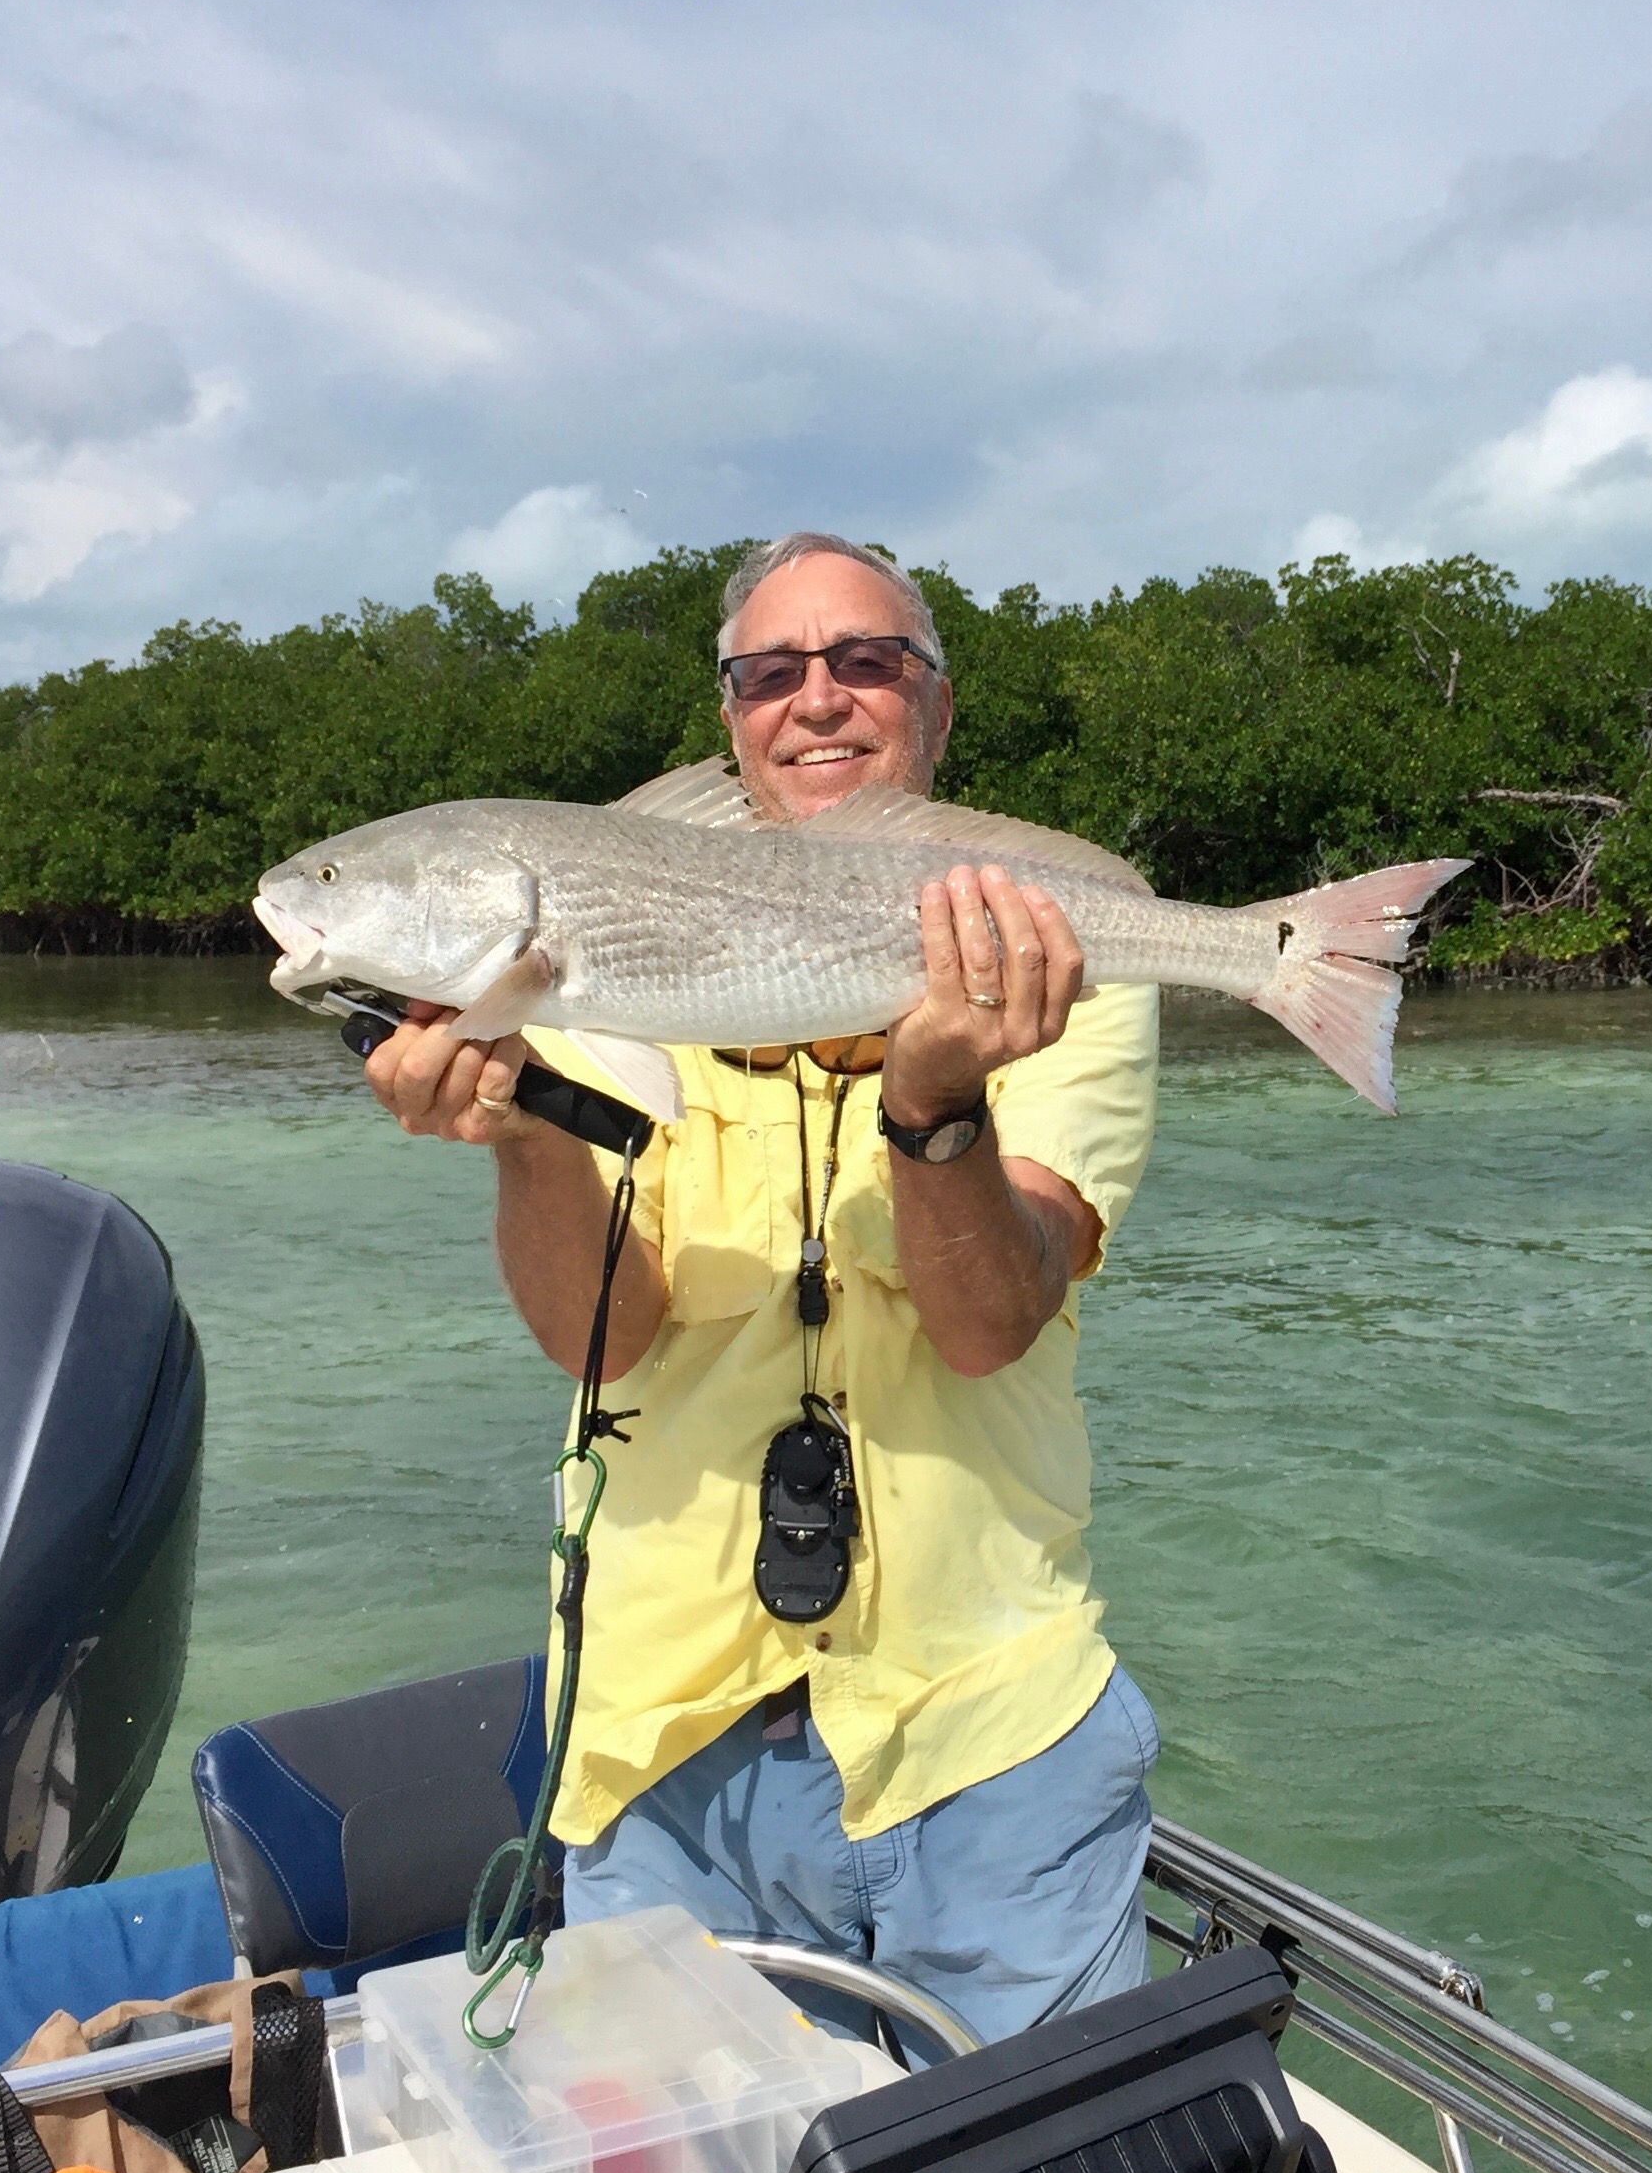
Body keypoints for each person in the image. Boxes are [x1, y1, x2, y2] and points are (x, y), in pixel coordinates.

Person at [359, 532, 1160, 2043]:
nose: (820, 700)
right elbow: (609, 1338)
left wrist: (933, 1110)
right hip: (670, 1739)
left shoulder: (1047, 957)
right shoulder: (589, 968)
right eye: (771, 672)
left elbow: (995, 1323)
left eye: (868, 660)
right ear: (729, 717)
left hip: (988, 1726)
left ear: (933, 708)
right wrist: (526, 1138)